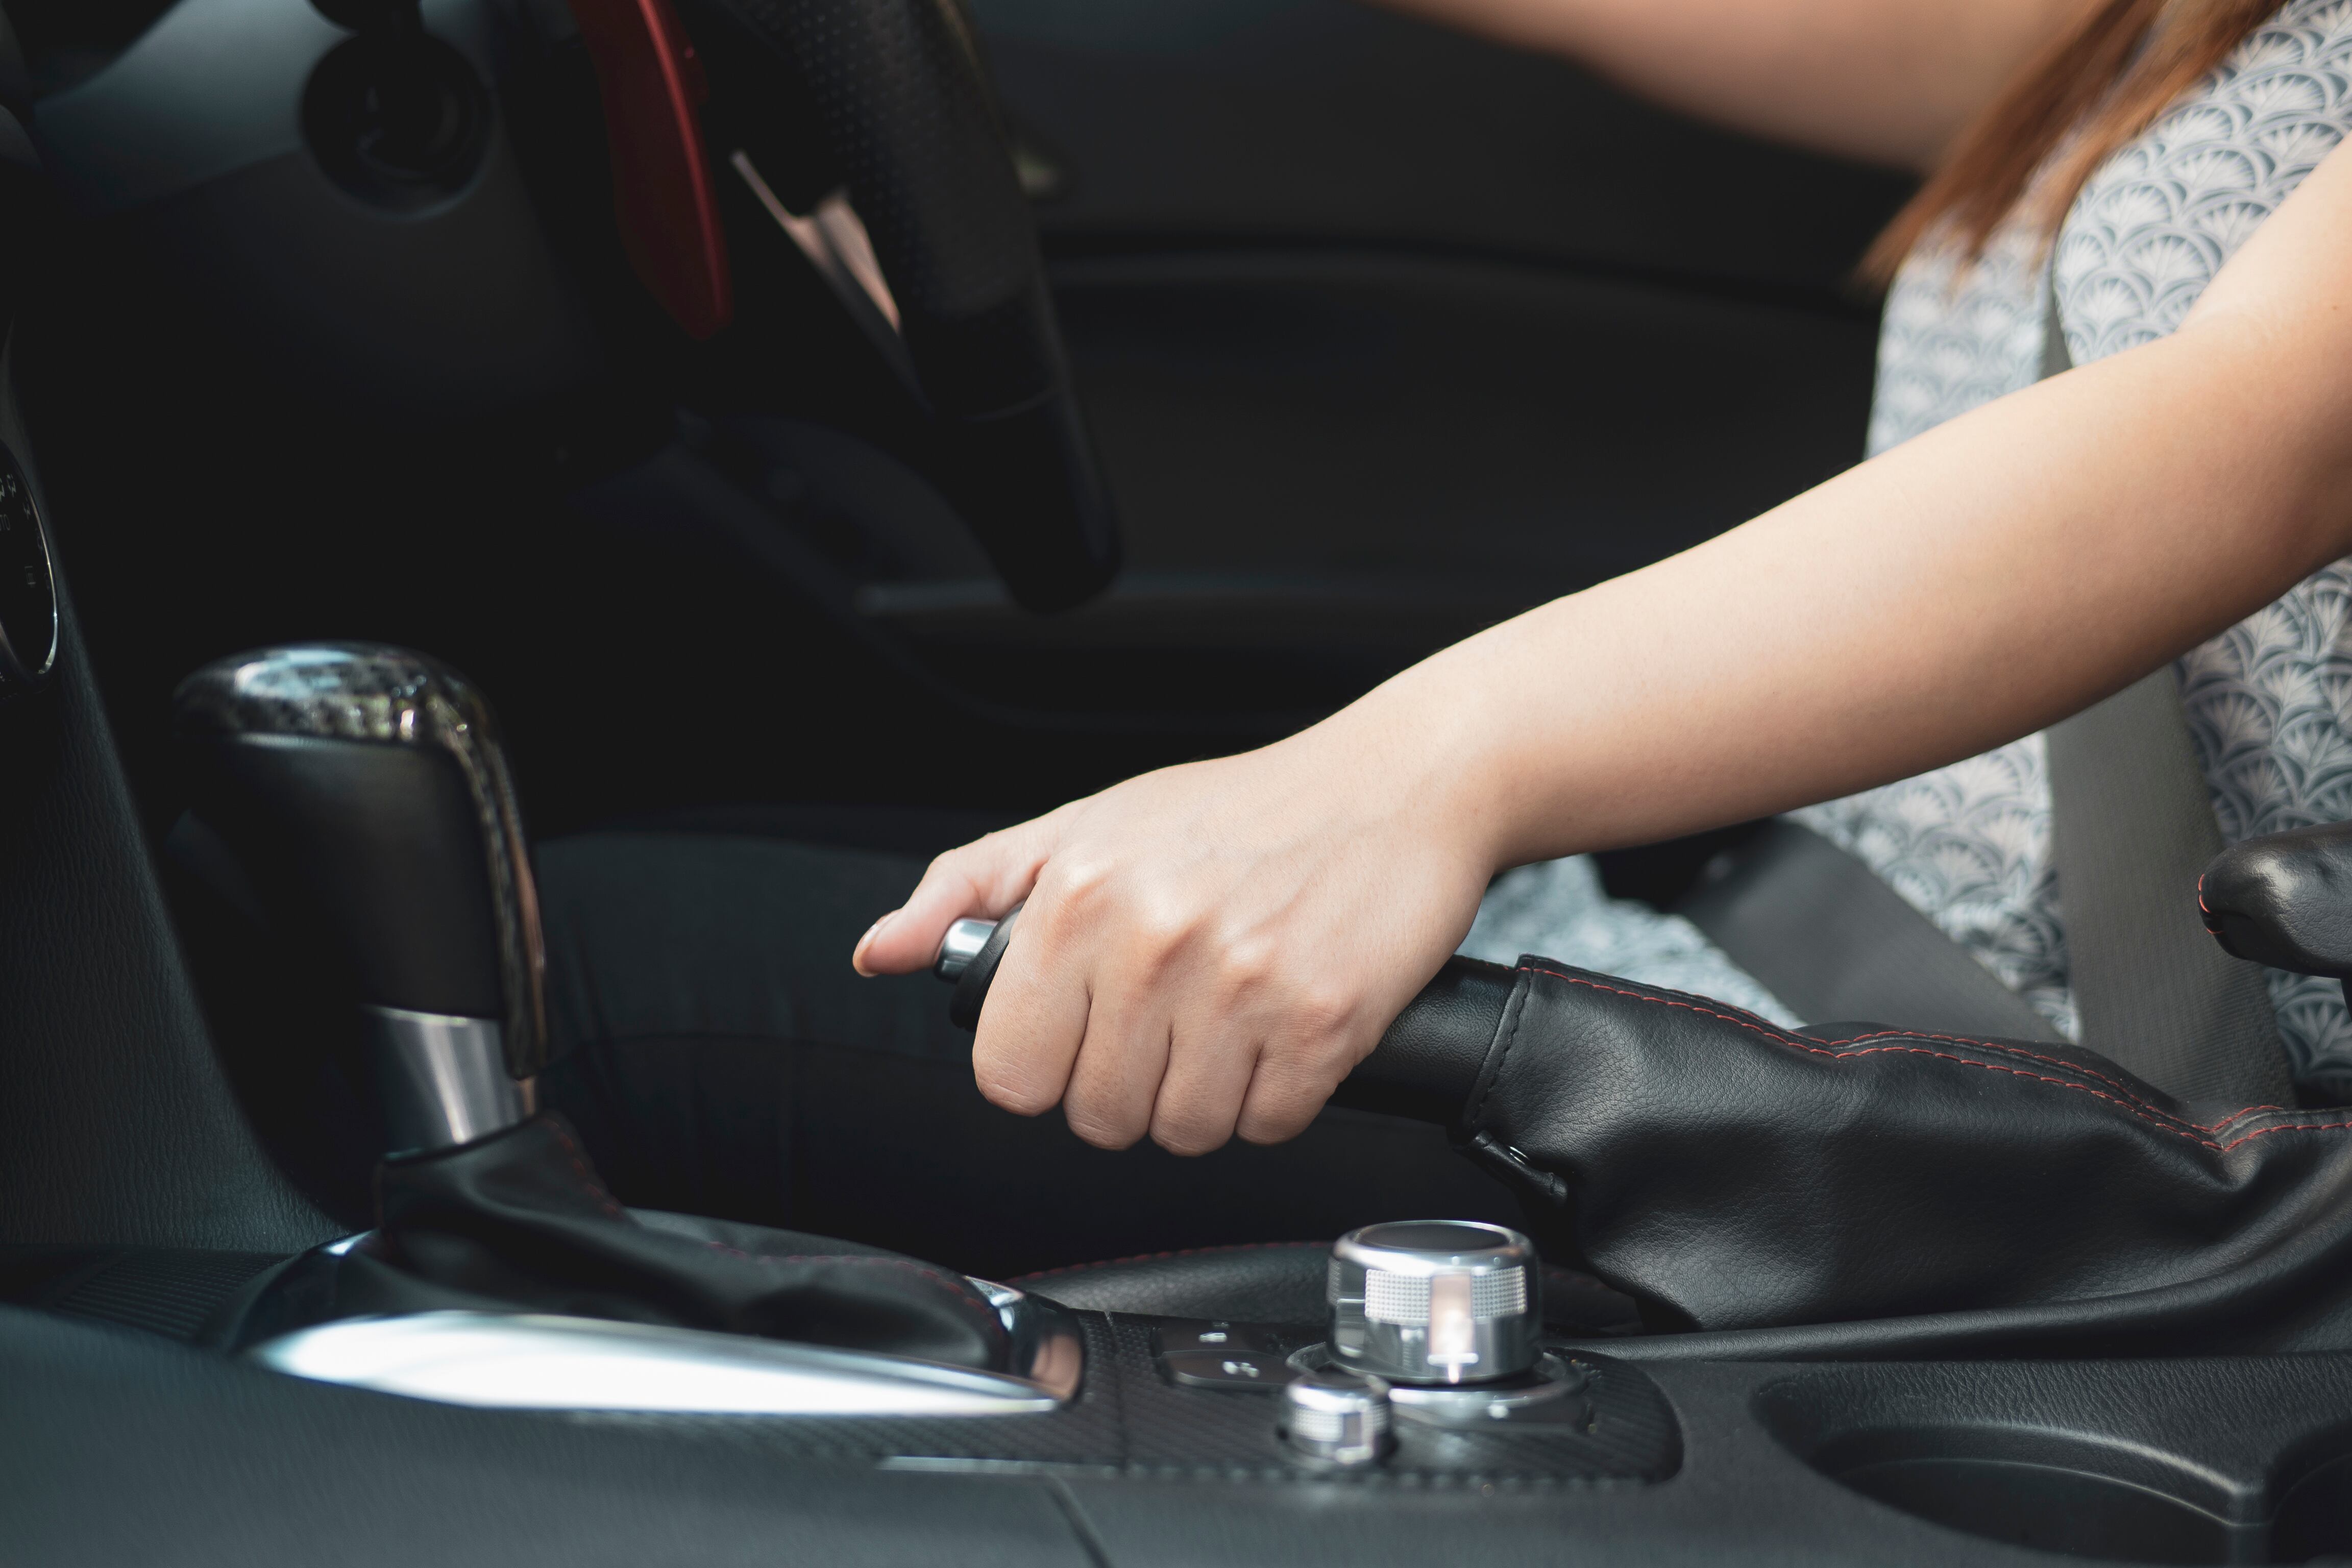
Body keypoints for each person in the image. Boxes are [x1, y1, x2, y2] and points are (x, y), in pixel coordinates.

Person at [544, 0, 2352, 1275]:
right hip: (1761, 977)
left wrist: (1409, 774)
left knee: (592, 997)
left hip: (2020, 1130)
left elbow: (2258, 433)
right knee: (571, 924)